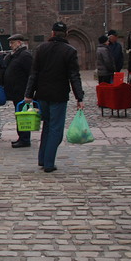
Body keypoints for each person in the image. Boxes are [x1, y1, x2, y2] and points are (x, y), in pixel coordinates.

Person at [24, 22, 84, 173]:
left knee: (47, 126)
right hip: (59, 95)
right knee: (56, 129)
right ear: (66, 34)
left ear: (52, 33)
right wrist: (79, 97)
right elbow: (74, 76)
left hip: (42, 94)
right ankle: (49, 163)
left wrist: (28, 94)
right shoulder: (69, 51)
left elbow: (34, 73)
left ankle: (43, 158)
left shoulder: (41, 48)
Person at [3, 34, 34, 148]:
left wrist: (29, 92)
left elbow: (31, 73)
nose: (10, 45)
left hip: (21, 91)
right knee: (19, 115)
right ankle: (21, 137)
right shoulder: (15, 55)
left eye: (12, 43)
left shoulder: (25, 55)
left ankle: (24, 139)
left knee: (23, 115)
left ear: (19, 43)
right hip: (15, 91)